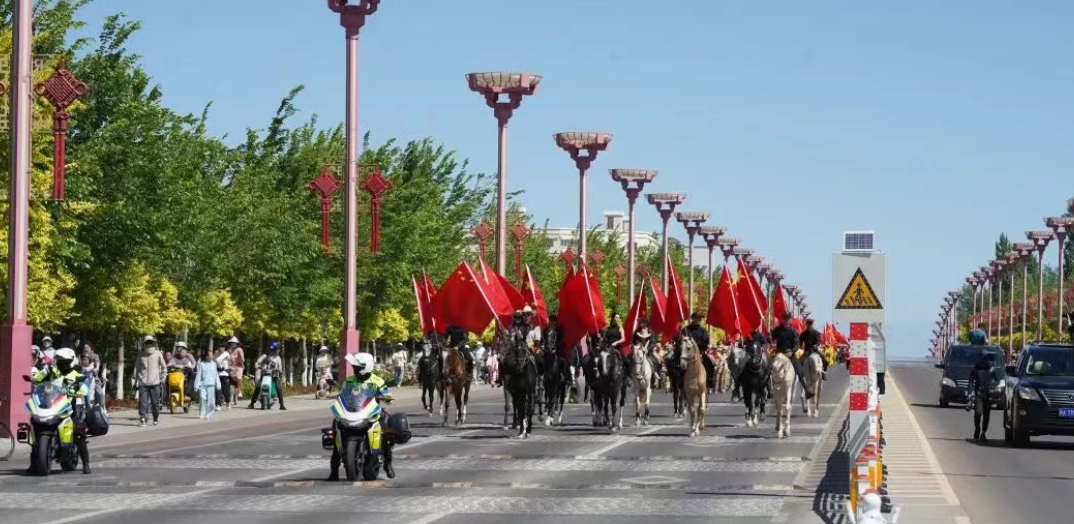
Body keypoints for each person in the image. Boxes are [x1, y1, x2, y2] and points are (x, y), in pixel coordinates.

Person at [328, 352, 397, 481]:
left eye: (357, 367)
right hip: (354, 411)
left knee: (386, 432)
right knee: (336, 428)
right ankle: (334, 469)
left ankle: (388, 464)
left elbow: (386, 394)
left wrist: (386, 397)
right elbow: (343, 394)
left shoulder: (377, 380)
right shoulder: (350, 380)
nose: (354, 369)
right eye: (354, 367)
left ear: (366, 367)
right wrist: (338, 395)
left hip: (372, 412)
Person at [30, 347, 91, 474]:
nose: (62, 364)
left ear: (71, 362)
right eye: (59, 361)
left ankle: (86, 463)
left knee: (78, 431)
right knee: (37, 424)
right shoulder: (52, 372)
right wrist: (42, 373)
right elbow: (37, 380)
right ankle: (33, 463)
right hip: (52, 405)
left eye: (65, 361)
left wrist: (80, 391)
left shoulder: (76, 375)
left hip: (71, 407)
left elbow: (85, 388)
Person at [771, 313, 811, 397]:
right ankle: (768, 390)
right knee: (768, 369)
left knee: (800, 371)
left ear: (790, 320)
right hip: (779, 354)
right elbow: (771, 338)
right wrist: (770, 338)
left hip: (790, 355)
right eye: (785, 318)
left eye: (788, 318)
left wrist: (792, 352)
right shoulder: (777, 329)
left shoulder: (793, 331)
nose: (786, 320)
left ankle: (807, 390)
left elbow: (797, 344)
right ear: (783, 319)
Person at [133, 336, 166, 427]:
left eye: (150, 342)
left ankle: (155, 418)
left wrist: (162, 379)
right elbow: (137, 369)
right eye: (147, 342)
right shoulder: (141, 354)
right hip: (143, 382)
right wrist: (135, 381)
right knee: (143, 402)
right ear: (144, 343)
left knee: (155, 403)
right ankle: (143, 419)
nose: (148, 344)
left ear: (153, 343)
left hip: (155, 383)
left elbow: (164, 367)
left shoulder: (158, 353)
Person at [248, 344, 286, 410]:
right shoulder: (265, 356)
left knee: (278, 388)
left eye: (278, 349)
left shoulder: (278, 358)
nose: (278, 350)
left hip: (274, 376)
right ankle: (252, 403)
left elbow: (280, 368)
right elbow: (258, 362)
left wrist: (279, 370)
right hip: (265, 375)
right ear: (273, 349)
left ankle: (281, 404)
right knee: (258, 387)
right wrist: (256, 365)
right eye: (277, 349)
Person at [194, 350, 221, 420]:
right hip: (203, 384)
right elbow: (198, 375)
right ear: (206, 357)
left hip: (211, 384)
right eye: (210, 355)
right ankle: (201, 413)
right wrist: (196, 385)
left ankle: (209, 414)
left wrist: (218, 384)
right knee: (202, 398)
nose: (211, 356)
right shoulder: (201, 364)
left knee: (211, 401)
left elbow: (216, 375)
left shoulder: (214, 364)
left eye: (212, 355)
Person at [227, 337, 245, 401]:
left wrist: (239, 360)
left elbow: (242, 359)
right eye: (232, 343)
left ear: (237, 344)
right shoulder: (229, 350)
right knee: (228, 379)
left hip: (239, 366)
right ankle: (228, 395)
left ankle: (240, 391)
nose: (233, 344)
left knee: (238, 377)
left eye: (234, 343)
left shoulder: (239, 349)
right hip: (231, 366)